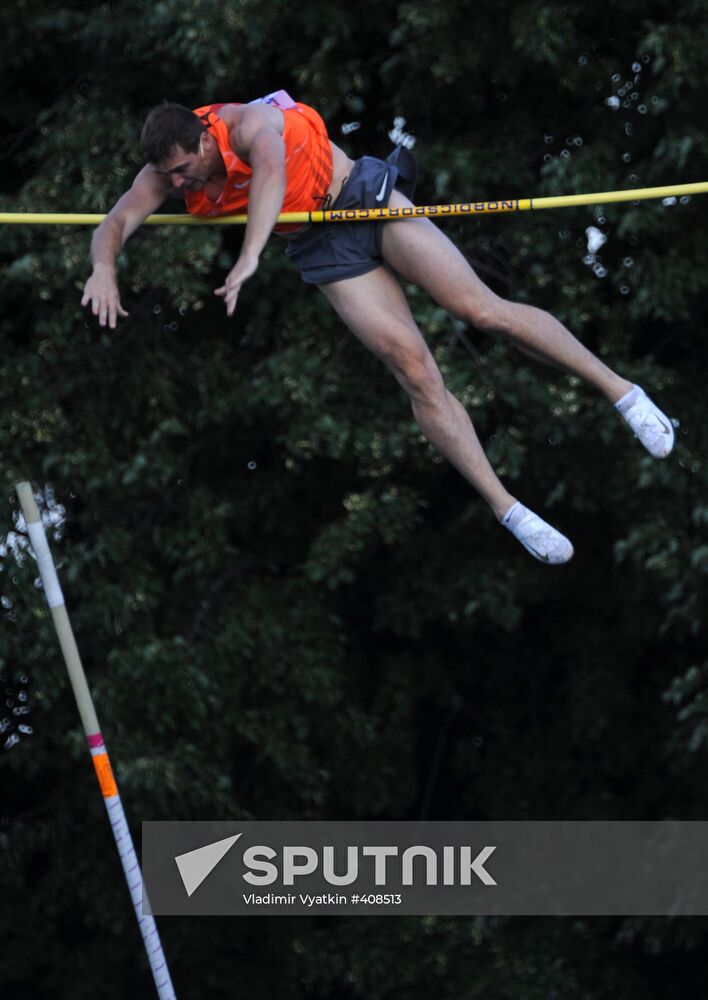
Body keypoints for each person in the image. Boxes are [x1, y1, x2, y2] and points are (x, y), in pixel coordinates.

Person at [81, 92, 675, 565]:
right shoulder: (165, 173)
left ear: (205, 139)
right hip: (320, 243)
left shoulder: (247, 123)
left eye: (185, 171)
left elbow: (267, 176)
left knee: (480, 310)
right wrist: (104, 270)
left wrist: (250, 255)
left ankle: (622, 392)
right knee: (414, 371)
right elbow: (113, 223)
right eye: (171, 178)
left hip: (361, 197)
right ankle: (509, 510)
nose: (180, 186)